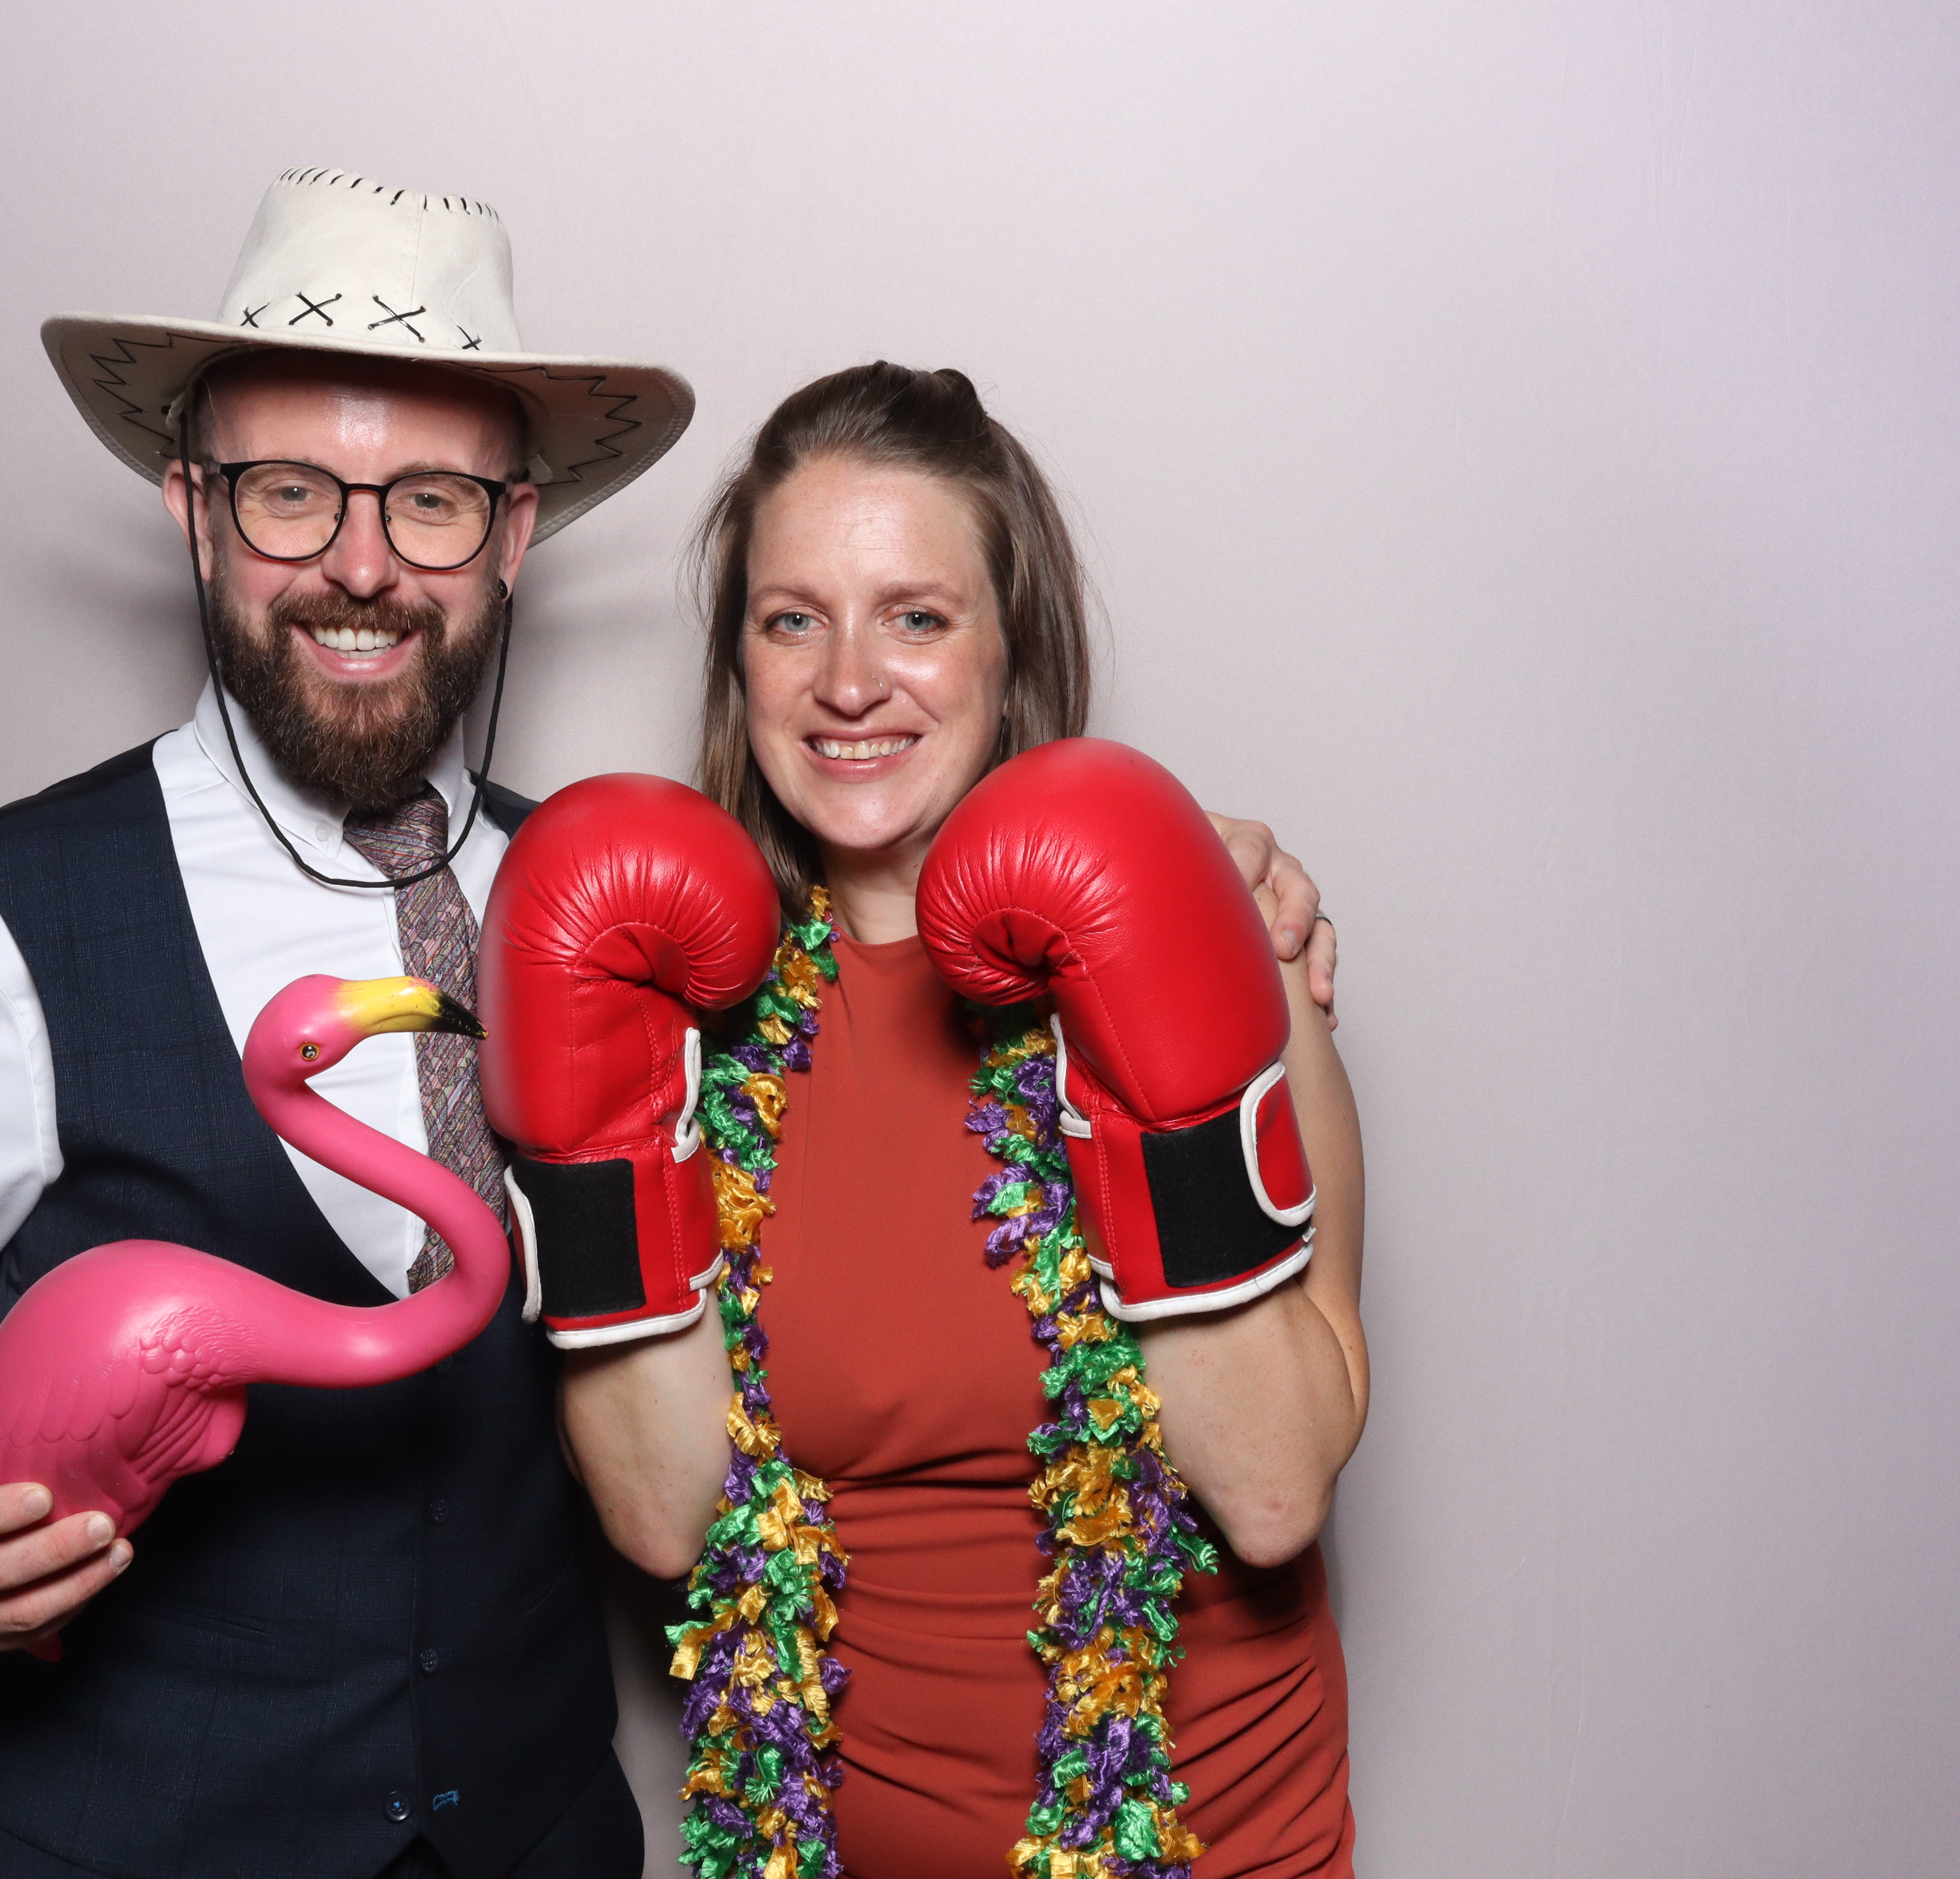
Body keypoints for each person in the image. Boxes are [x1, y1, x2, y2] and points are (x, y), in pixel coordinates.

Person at [0, 170, 1334, 1879]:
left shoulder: (631, 924)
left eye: (428, 501)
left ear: (513, 532)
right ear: (195, 512)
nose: (358, 564)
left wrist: (1203, 903)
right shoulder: (9, 913)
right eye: (288, 493)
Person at [537, 364, 1365, 1877]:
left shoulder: (1226, 944)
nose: (851, 682)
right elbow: (665, 1523)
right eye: (794, 620)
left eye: (917, 616)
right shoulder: (673, 1025)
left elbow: (1269, 1492)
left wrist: (1159, 974)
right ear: (742, 665)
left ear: (1008, 647)